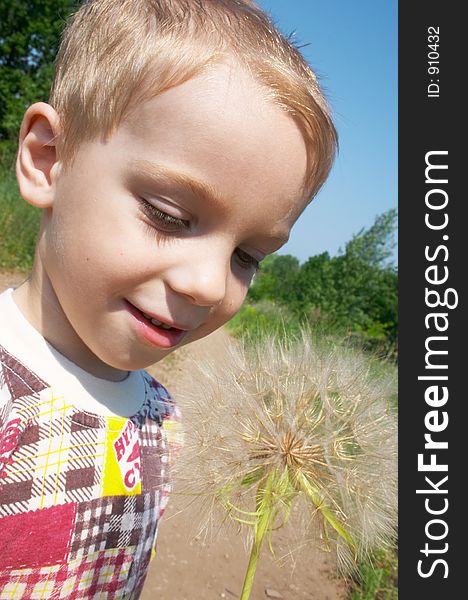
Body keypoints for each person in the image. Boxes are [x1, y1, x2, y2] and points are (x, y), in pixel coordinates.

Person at [0, 0, 337, 596]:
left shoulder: (165, 420)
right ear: (47, 160)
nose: (209, 285)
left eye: (248, 257)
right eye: (169, 216)